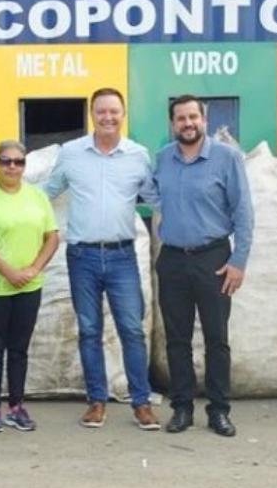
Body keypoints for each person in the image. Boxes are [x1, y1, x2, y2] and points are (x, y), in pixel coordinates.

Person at [44, 87, 160, 429]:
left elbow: (156, 198)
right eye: (101, 111)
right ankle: (97, 401)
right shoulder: (71, 153)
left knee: (131, 330)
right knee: (89, 330)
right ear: (92, 115)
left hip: (122, 256)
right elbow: (48, 192)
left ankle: (141, 402)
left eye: (114, 111)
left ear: (123, 115)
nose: (108, 117)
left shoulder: (138, 155)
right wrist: (8, 200)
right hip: (82, 257)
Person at [153, 94, 254, 438]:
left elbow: (243, 212)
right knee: (177, 339)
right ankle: (181, 408)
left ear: (204, 119)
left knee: (216, 337)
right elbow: (151, 195)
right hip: (172, 258)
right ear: (172, 124)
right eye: (181, 118)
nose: (188, 123)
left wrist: (238, 261)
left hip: (214, 258)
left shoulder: (227, 158)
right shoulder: (163, 159)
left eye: (193, 117)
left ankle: (219, 410)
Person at [0, 140, 59, 433]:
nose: (12, 167)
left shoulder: (37, 197)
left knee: (19, 349)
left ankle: (17, 406)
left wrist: (32, 269)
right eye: (6, 161)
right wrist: (8, 271)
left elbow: (52, 237)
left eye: (18, 162)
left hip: (28, 286)